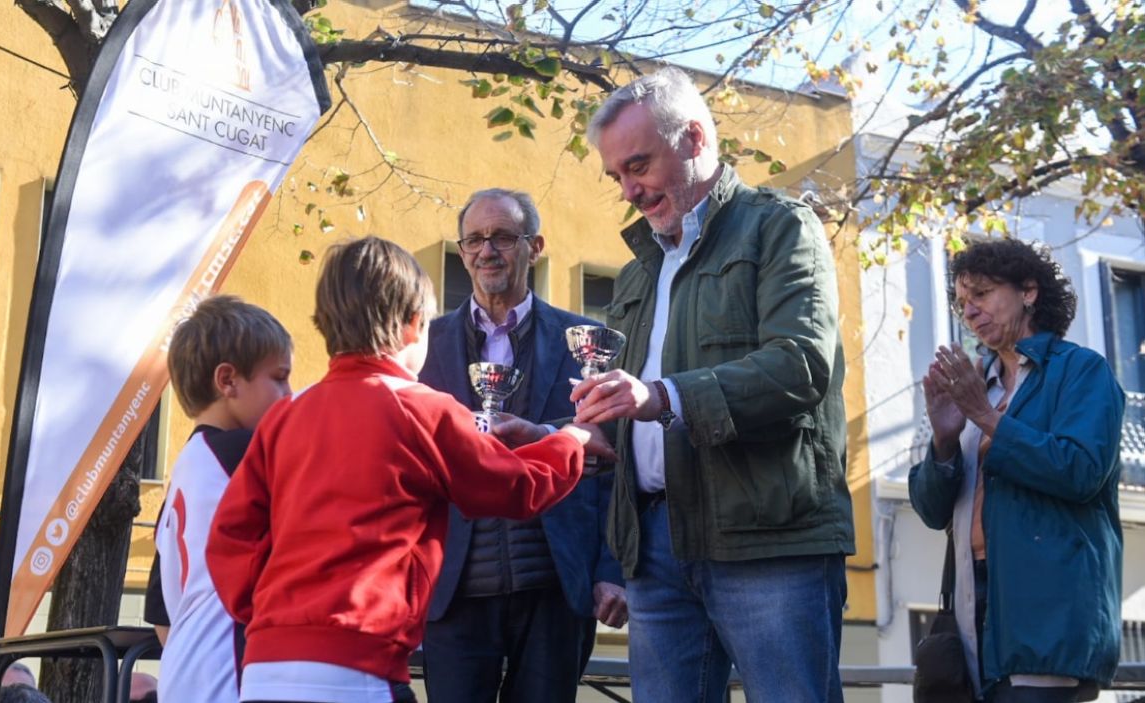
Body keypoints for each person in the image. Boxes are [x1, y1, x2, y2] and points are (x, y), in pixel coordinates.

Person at [205, 236, 611, 703]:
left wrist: (273, 611)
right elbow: (514, 488)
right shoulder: (421, 408)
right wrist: (570, 442)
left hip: (265, 664)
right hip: (359, 661)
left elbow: (230, 536)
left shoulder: (285, 416)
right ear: (414, 327)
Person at [571, 66, 855, 702]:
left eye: (638, 166)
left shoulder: (781, 227)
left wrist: (660, 397)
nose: (628, 191)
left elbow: (800, 366)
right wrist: (563, 435)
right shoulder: (635, 274)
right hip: (656, 550)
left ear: (695, 139)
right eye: (617, 176)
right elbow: (631, 412)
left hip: (769, 542)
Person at [418, 189, 627, 703]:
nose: (487, 251)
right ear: (463, 250)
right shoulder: (422, 345)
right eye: (474, 239)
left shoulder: (587, 341)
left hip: (555, 587)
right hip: (455, 590)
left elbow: (617, 463)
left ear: (534, 246)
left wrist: (610, 570)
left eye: (503, 238)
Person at [909, 238, 1124, 702]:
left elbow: (1081, 470)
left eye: (982, 294)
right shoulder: (976, 386)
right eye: (962, 302)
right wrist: (945, 442)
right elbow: (931, 512)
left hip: (1047, 616)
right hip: (974, 608)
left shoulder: (1082, 371)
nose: (969, 312)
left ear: (1029, 291)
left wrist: (986, 419)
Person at [143, 295, 294, 703]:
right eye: (279, 378)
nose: (290, 394)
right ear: (227, 381)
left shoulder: (185, 474)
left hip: (183, 675)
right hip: (231, 676)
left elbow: (161, 612)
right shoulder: (244, 454)